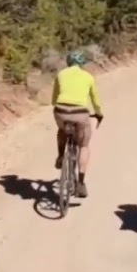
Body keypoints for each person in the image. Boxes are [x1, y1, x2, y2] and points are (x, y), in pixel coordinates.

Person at [51, 51, 103, 197]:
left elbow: (54, 99)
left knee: (61, 130)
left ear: (68, 62)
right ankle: (80, 183)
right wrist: (98, 113)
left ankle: (61, 156)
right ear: (82, 64)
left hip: (61, 110)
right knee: (84, 146)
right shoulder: (88, 77)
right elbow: (96, 101)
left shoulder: (61, 74)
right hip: (80, 113)